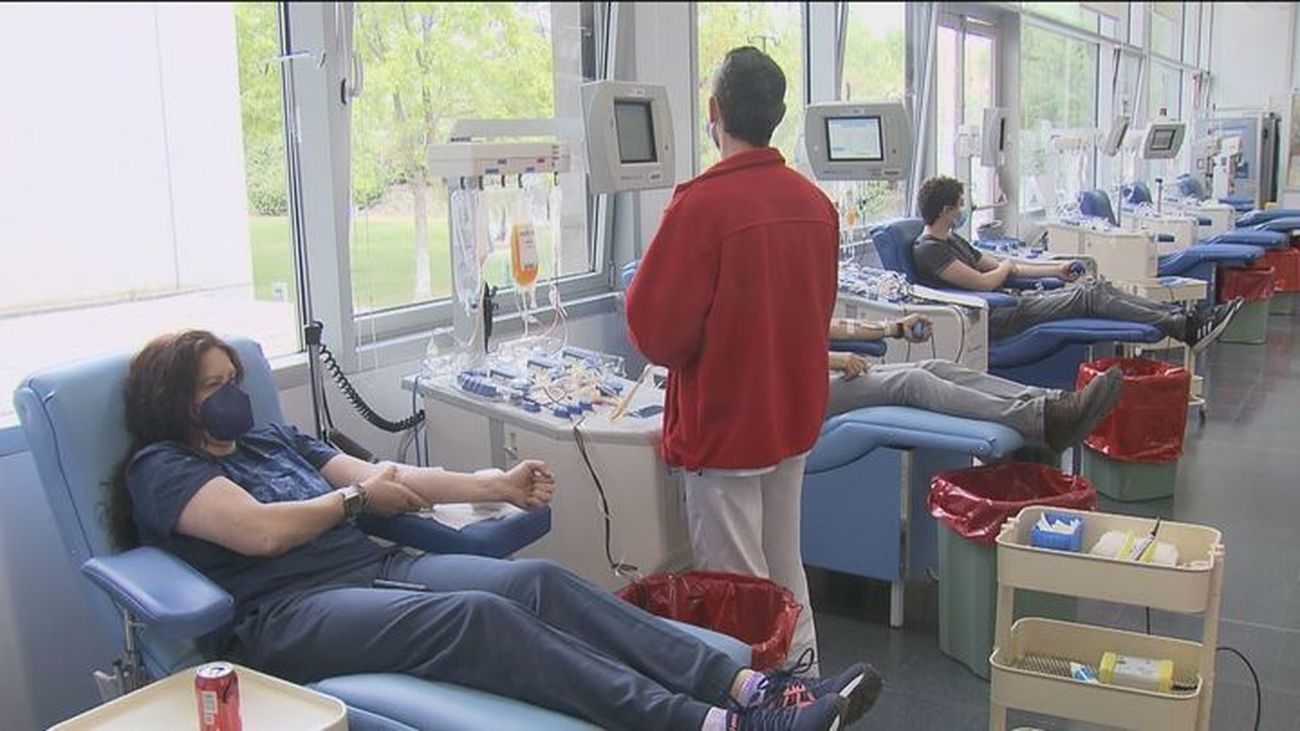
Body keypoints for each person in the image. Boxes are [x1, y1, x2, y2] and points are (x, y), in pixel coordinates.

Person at [109, 331, 885, 731]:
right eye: (212, 387)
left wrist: (492, 483)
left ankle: (755, 687)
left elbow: (382, 474)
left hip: (374, 570)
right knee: (479, 616)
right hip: (288, 614)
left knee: (537, 579)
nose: (231, 397)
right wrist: (355, 504)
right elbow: (259, 534)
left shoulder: (269, 441)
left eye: (234, 381)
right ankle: (707, 724)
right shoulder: (162, 466)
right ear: (172, 399)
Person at [624, 46, 846, 679]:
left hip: (726, 428)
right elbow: (817, 310)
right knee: (784, 566)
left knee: (736, 588)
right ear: (778, 115)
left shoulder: (700, 207)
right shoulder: (815, 205)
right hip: (790, 418)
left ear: (713, 112)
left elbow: (656, 334)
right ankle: (805, 686)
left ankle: (762, 708)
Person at [911, 176, 1242, 353]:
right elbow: (986, 282)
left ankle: (1188, 319)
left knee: (1095, 286)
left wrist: (1053, 269)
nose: (963, 210)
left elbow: (1001, 264)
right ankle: (1185, 328)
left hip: (1012, 303)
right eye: (958, 206)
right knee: (1090, 298)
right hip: (994, 317)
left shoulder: (952, 240)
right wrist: (1006, 269)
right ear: (944, 211)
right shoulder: (929, 249)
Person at [825, 314, 1124, 453]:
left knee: (934, 367)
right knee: (911, 382)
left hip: (814, 375)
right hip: (793, 398)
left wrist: (894, 327)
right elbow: (777, 353)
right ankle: (1042, 421)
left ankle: (1053, 402)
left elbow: (832, 325)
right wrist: (834, 360)